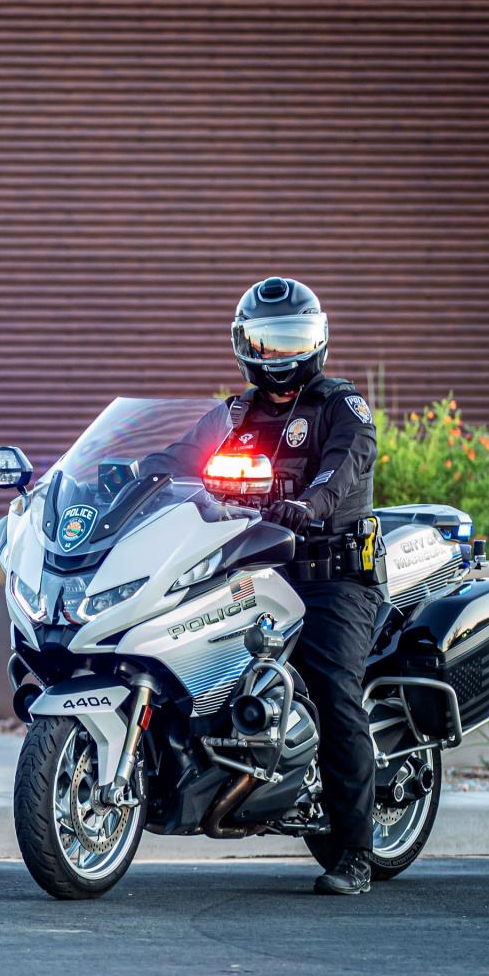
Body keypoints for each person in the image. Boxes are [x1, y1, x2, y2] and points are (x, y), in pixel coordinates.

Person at [152, 277, 382, 895]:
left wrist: (311, 503)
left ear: (316, 343)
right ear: (244, 345)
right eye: (266, 343)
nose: (277, 357)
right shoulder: (232, 415)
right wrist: (127, 478)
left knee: (334, 688)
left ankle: (354, 853)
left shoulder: (342, 406)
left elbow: (346, 462)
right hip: (257, 570)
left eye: (290, 343)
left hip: (333, 577)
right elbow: (175, 460)